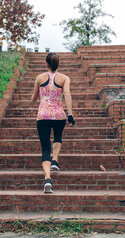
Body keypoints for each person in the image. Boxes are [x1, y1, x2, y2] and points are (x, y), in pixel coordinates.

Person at [31, 52, 76, 193]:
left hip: (43, 115)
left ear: (46, 63)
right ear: (59, 64)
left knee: (45, 148)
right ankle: (55, 161)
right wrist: (70, 114)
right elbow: (67, 94)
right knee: (57, 137)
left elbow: (33, 98)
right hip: (59, 115)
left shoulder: (39, 78)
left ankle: (48, 180)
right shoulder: (64, 78)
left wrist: (39, 96)